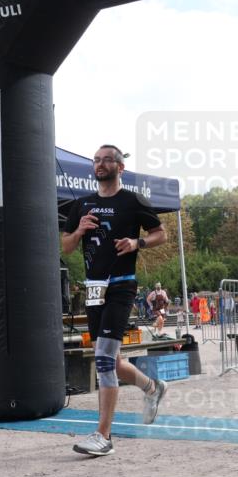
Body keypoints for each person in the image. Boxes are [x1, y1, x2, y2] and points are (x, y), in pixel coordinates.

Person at [62, 144, 168, 457]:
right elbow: (66, 247)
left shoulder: (133, 200)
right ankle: (153, 387)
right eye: (96, 159)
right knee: (113, 360)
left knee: (104, 360)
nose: (100, 163)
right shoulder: (81, 204)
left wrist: (138, 242)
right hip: (94, 290)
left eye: (107, 159)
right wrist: (79, 230)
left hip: (122, 286)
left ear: (120, 167)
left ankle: (103, 436)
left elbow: (160, 233)